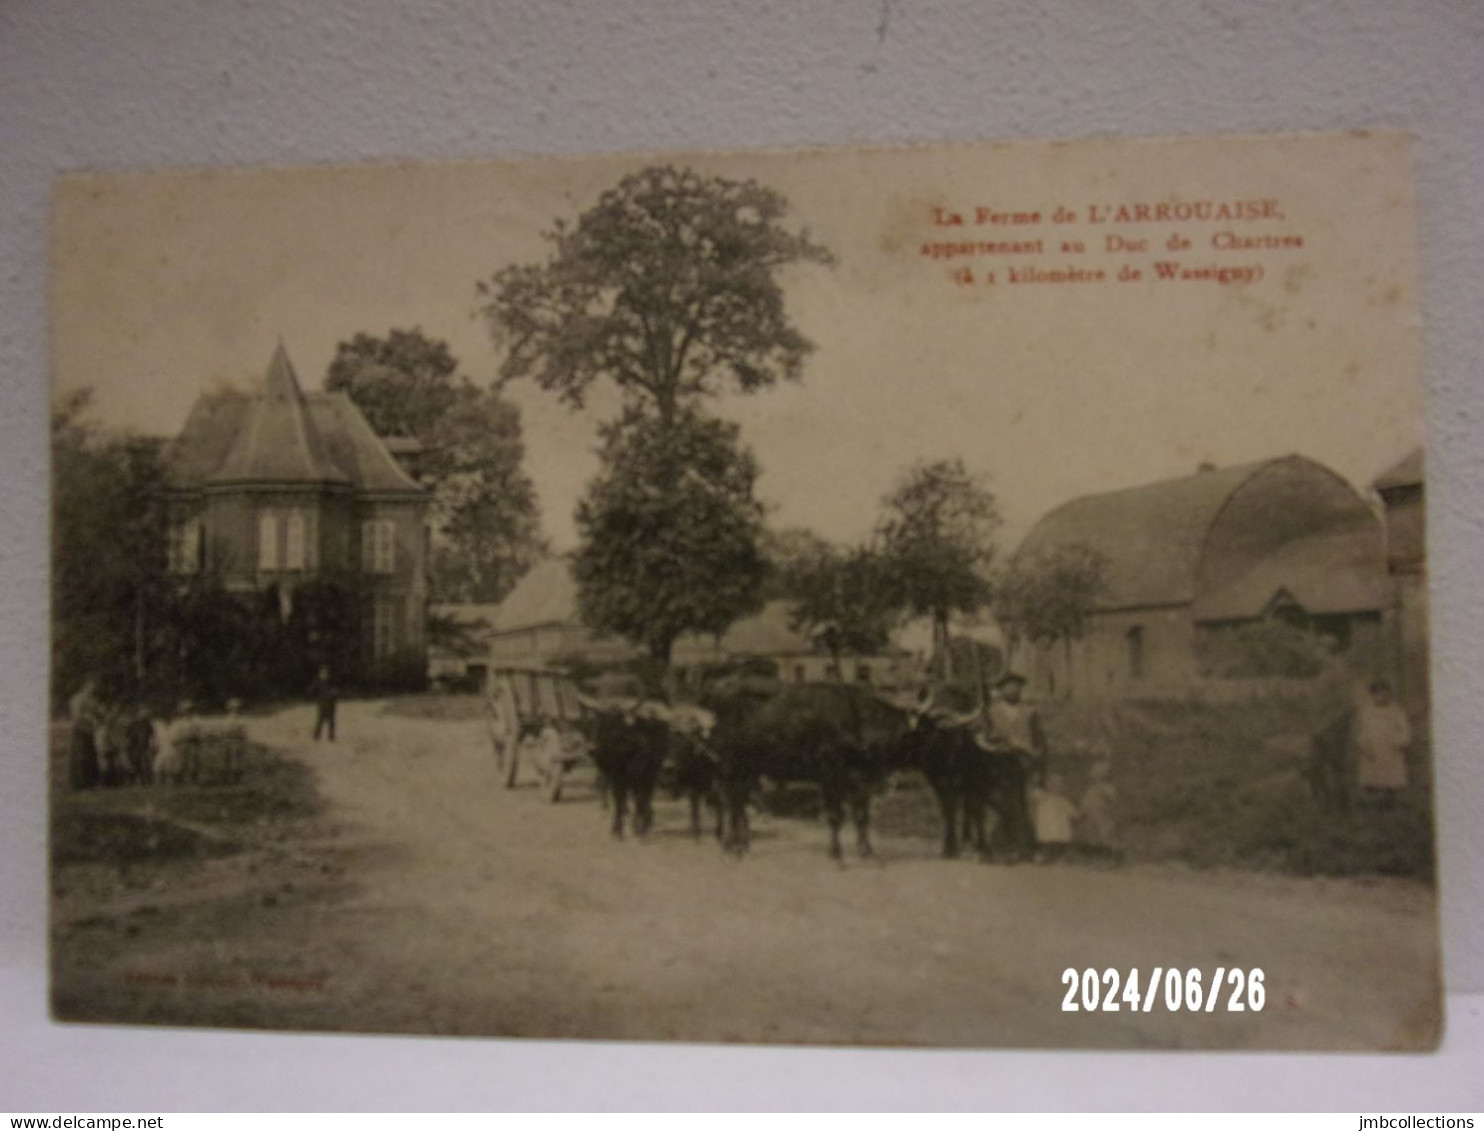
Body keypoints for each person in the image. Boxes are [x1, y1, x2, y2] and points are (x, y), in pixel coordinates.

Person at [1353, 679, 1411, 806]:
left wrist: (1399, 741)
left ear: (1389, 694)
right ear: (1372, 695)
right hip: (1373, 747)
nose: (1382, 697)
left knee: (1391, 775)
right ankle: (1373, 801)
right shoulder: (1367, 711)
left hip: (1390, 747)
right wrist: (1364, 744)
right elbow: (1363, 730)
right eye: (1378, 694)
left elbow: (1405, 729)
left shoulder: (1396, 711)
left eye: (1385, 693)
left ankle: (1390, 800)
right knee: (1372, 774)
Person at [1077, 756, 1121, 862]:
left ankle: (1113, 856)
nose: (1096, 776)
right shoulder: (1091, 789)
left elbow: (1114, 799)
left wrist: (1105, 793)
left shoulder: (1107, 787)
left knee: (1106, 834)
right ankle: (1098, 856)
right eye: (1095, 773)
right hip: (1091, 815)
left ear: (1106, 775)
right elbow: (1085, 801)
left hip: (1104, 814)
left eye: (1101, 773)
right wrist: (1082, 810)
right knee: (1093, 835)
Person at [1031, 773, 1078, 862]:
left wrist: (1078, 814)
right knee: (1047, 842)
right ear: (1048, 787)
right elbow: (1035, 794)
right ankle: (1043, 856)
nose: (1056, 788)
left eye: (1059, 786)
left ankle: (1057, 856)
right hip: (1047, 825)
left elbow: (1073, 812)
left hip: (1060, 826)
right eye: (1053, 786)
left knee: (1058, 842)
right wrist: (1035, 783)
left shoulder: (1064, 800)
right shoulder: (1044, 797)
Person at [66, 680, 100, 790]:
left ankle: (90, 782)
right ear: (85, 686)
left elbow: (96, 712)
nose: (93, 689)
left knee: (90, 756)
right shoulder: (77, 699)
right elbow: (77, 716)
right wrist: (91, 719)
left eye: (94, 688)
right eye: (91, 687)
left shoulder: (92, 699)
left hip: (89, 730)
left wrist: (96, 719)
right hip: (79, 730)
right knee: (80, 756)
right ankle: (78, 783)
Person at [311, 666, 338, 741]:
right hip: (322, 704)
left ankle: (331, 736)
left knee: (331, 721)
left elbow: (336, 692)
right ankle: (316, 735)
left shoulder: (332, 682)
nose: (324, 675)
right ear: (320, 674)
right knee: (320, 720)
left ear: (329, 674)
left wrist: (334, 694)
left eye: (326, 673)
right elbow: (311, 690)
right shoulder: (318, 682)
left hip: (331, 704)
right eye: (323, 673)